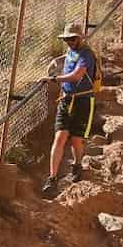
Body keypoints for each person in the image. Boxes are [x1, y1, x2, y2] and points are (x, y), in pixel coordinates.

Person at [43, 23, 98, 196]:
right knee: (59, 137)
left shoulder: (87, 54)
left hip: (83, 101)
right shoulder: (72, 51)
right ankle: (52, 179)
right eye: (67, 39)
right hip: (66, 99)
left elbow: (76, 76)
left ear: (80, 38)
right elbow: (67, 57)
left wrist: (53, 78)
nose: (69, 42)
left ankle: (77, 164)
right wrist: (56, 61)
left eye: (72, 38)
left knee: (76, 139)